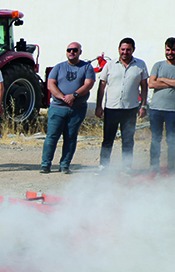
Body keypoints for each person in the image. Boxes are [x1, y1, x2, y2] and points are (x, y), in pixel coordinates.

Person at [39, 42, 96, 174]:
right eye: (69, 50)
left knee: (70, 137)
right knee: (52, 136)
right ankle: (45, 164)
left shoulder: (87, 67)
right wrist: (63, 97)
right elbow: (50, 84)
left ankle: (64, 165)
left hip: (77, 109)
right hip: (58, 108)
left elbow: (88, 84)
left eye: (74, 50)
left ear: (80, 52)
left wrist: (74, 96)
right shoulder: (59, 67)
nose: (71, 52)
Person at [95, 37, 148, 171]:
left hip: (130, 109)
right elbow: (102, 86)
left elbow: (144, 87)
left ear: (133, 50)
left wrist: (143, 106)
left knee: (128, 139)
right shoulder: (110, 65)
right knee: (108, 139)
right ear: (119, 49)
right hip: (111, 108)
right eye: (123, 49)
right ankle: (104, 165)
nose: (125, 52)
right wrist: (98, 106)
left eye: (128, 50)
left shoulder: (140, 65)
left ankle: (126, 166)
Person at [147, 38, 175, 172]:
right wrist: (171, 82)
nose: (170, 53)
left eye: (173, 50)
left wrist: (162, 79)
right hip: (156, 109)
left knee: (172, 140)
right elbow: (151, 83)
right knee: (155, 139)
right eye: (168, 50)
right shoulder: (158, 65)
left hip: (172, 110)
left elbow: (157, 81)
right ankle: (154, 166)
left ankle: (172, 167)